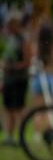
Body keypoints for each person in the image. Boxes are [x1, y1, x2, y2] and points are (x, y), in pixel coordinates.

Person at [1, 13, 32, 145]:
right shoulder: (10, 39)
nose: (7, 28)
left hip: (19, 79)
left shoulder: (23, 39)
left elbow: (27, 62)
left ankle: (21, 135)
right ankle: (9, 136)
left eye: (9, 25)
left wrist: (12, 67)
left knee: (18, 108)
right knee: (8, 107)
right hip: (9, 79)